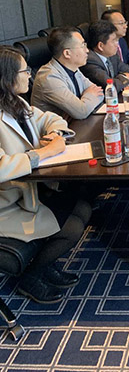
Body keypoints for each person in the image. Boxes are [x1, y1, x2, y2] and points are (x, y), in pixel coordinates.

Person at [0, 46, 91, 304]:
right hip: (6, 204)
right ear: (7, 78)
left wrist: (56, 133)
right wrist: (41, 154)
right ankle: (31, 278)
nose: (29, 75)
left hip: (28, 191)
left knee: (83, 208)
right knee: (72, 228)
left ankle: (44, 265)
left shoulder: (15, 102)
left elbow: (48, 118)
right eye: (24, 71)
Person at [32, 27, 104, 121]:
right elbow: (81, 112)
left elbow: (99, 92)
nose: (87, 50)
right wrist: (87, 98)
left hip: (76, 124)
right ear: (67, 53)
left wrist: (83, 102)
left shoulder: (74, 68)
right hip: (56, 129)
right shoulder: (49, 77)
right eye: (82, 46)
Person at [81, 21, 129, 92]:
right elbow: (111, 86)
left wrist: (120, 79)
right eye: (113, 41)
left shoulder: (112, 55)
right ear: (100, 46)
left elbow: (128, 71)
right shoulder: (90, 61)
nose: (117, 45)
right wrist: (124, 77)